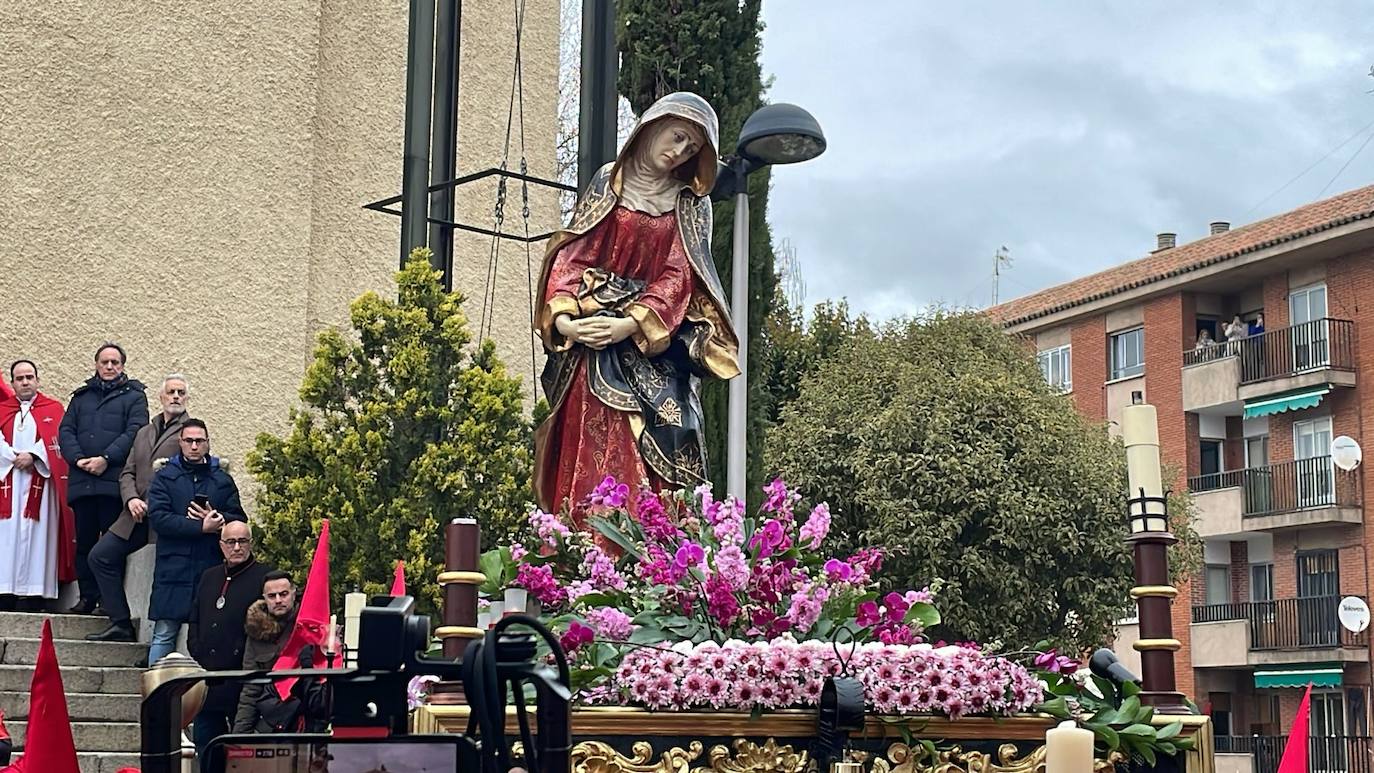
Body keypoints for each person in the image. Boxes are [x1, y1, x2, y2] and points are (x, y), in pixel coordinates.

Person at [532, 92, 740, 520]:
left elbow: (680, 274)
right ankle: (582, 557)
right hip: (591, 345)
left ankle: (653, 564)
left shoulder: (690, 204)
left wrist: (629, 324)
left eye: (692, 148)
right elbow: (576, 252)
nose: (679, 151)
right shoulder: (609, 182)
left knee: (667, 439)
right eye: (678, 136)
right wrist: (568, 321)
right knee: (591, 445)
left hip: (651, 347)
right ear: (653, 126)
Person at [87, 375, 192, 642]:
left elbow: (189, 474)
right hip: (134, 514)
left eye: (181, 392)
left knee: (160, 578)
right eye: (171, 392)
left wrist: (156, 503)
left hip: (164, 517)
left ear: (187, 398)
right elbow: (127, 472)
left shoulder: (191, 433)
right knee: (100, 556)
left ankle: (155, 642)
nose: (176, 396)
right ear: (161, 397)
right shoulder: (144, 431)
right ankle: (120, 622)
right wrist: (131, 499)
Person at [146, 418, 245, 665]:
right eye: (189, 441)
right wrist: (200, 526)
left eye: (199, 441)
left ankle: (201, 699)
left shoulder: (222, 479)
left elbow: (239, 517)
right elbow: (158, 519)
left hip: (210, 568)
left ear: (207, 443)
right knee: (164, 634)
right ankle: (155, 698)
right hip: (173, 568)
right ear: (180, 443)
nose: (193, 446)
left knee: (207, 636)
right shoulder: (164, 477)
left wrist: (220, 521)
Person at [58, 343, 148, 614]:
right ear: (96, 365)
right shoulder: (81, 397)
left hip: (113, 484)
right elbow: (66, 431)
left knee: (111, 544)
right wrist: (78, 460)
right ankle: (87, 597)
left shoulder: (134, 397)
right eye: (105, 362)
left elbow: (135, 432)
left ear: (123, 366)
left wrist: (105, 459)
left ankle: (109, 602)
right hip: (83, 483)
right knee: (84, 543)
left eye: (115, 362)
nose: (110, 367)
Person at [189, 519, 272, 766]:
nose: (236, 547)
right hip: (209, 680)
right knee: (206, 746)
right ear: (221, 544)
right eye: (231, 542)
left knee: (242, 753)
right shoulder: (209, 576)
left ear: (251, 543)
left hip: (242, 681)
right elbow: (195, 616)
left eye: (242, 541)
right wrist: (196, 646)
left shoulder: (263, 577)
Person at [0, 361, 75, 612]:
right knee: (6, 538)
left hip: (39, 483)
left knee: (38, 536)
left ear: (37, 380)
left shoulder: (53, 409)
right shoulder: (2, 409)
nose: (25, 382)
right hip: (7, 482)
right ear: (12, 383)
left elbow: (57, 440)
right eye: (19, 378)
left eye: (29, 377)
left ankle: (35, 594)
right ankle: (4, 592)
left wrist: (33, 455)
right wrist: (12, 457)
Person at [233, 572, 328, 733]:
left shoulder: (311, 626)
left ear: (293, 593)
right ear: (264, 598)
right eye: (271, 596)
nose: (278, 600)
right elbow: (251, 689)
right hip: (272, 720)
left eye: (283, 594)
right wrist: (240, 736)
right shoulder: (256, 632)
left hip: (311, 717)